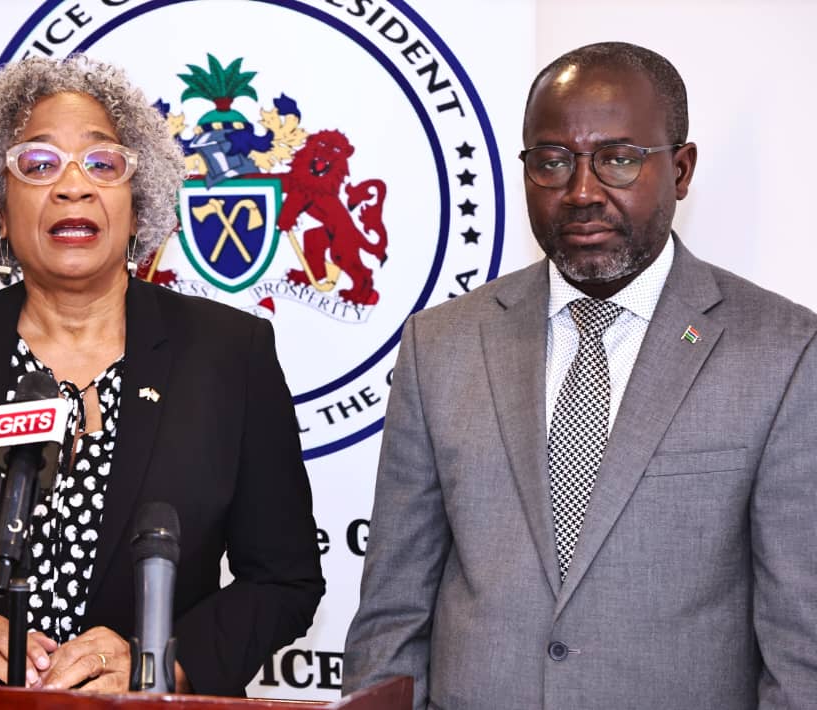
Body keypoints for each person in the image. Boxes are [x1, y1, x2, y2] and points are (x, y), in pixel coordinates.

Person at [343, 42, 817, 708]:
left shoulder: (781, 352)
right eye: (552, 161)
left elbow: (803, 652)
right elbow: (392, 618)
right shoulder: (441, 345)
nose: (582, 191)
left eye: (618, 159)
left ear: (680, 171)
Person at [0, 55, 324, 696]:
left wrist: (160, 662)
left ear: (136, 203)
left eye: (102, 164)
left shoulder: (229, 352)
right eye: (38, 166)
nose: (73, 186)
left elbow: (283, 579)